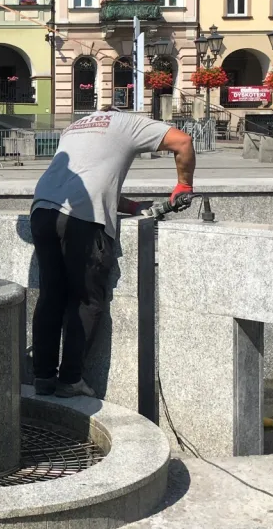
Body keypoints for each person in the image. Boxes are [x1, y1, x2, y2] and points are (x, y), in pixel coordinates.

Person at [30, 108, 195, 397]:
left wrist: (131, 207)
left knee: (51, 297)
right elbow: (183, 142)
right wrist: (183, 185)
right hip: (82, 218)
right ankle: (70, 380)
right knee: (86, 299)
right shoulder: (128, 122)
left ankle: (43, 378)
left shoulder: (77, 126)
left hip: (42, 208)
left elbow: (89, 179)